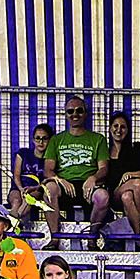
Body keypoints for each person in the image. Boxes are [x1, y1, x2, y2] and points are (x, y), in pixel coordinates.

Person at [42, 97, 107, 237]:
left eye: (79, 111)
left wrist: (93, 178)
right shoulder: (56, 140)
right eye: (70, 111)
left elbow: (104, 168)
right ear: (65, 115)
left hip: (88, 187)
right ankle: (55, 237)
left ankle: (92, 237)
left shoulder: (98, 139)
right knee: (49, 189)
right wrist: (60, 180)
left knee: (103, 197)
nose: (75, 114)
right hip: (64, 186)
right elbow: (48, 170)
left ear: (85, 113)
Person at [92, 112, 140, 239]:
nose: (119, 130)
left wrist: (131, 174)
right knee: (136, 185)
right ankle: (137, 235)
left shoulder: (136, 148)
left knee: (129, 195)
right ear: (110, 128)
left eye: (123, 127)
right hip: (116, 193)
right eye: (115, 126)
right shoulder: (105, 153)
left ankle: (134, 234)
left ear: (128, 130)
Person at [12, 122, 53, 225]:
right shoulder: (23, 153)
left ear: (50, 140)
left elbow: (48, 180)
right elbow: (16, 175)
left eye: (44, 138)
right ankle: (10, 224)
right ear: (33, 140)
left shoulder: (50, 160)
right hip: (18, 188)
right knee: (16, 201)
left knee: (28, 199)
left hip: (36, 190)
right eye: (37, 138)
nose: (41, 142)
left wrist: (34, 188)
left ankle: (13, 226)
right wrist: (21, 188)